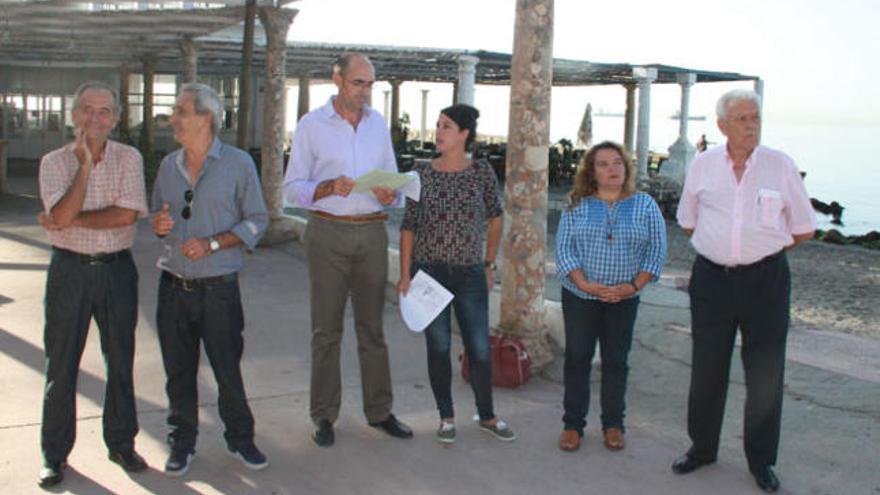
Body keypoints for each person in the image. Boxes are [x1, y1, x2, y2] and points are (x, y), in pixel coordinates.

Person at [671, 89, 816, 493]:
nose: (751, 125)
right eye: (742, 119)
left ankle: (761, 461)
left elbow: (804, 229)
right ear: (721, 126)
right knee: (706, 370)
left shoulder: (780, 166)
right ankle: (701, 449)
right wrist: (725, 247)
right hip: (712, 281)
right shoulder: (703, 165)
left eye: (755, 117)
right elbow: (687, 220)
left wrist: (759, 250)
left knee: (766, 375)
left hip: (765, 282)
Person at [282, 53, 412, 447]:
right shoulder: (311, 125)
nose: (366, 91)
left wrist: (391, 193)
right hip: (328, 233)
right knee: (326, 330)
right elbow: (291, 189)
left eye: (370, 84)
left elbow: (393, 186)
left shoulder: (377, 125)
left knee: (373, 329)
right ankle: (323, 415)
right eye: (359, 83)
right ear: (337, 80)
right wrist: (325, 188)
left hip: (372, 233)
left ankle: (380, 411)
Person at [150, 83, 270, 476]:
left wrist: (214, 243)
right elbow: (158, 218)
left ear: (206, 118)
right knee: (178, 372)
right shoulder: (169, 166)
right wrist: (160, 224)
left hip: (219, 290)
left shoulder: (238, 164)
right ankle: (181, 443)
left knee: (226, 369)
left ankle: (240, 439)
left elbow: (257, 220)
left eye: (181, 111)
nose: (174, 119)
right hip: (172, 287)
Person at [36, 81, 148, 488]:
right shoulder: (53, 162)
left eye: (104, 111)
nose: (94, 118)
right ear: (73, 115)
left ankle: (121, 443)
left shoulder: (128, 158)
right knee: (60, 365)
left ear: (116, 119)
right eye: (86, 109)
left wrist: (69, 220)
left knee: (120, 360)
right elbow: (64, 210)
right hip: (69, 272)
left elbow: (125, 216)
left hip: (117, 271)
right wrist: (83, 166)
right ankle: (54, 455)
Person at [397, 104, 515, 444]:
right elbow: (408, 226)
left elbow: (495, 217)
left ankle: (487, 415)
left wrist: (490, 263)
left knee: (478, 349)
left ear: (464, 134)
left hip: (469, 275)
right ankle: (446, 417)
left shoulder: (481, 172)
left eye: (446, 126)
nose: (438, 131)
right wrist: (405, 275)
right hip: (428, 275)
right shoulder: (421, 172)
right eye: (437, 125)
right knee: (438, 348)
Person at [555, 141, 666, 453]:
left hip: (624, 298)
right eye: (603, 164)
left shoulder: (645, 205)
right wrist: (585, 284)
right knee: (577, 359)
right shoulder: (575, 204)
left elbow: (656, 252)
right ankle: (573, 425)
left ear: (626, 167)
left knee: (616, 361)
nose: (611, 169)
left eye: (617, 162)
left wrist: (633, 286)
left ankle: (613, 425)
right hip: (580, 296)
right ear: (591, 171)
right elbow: (564, 250)